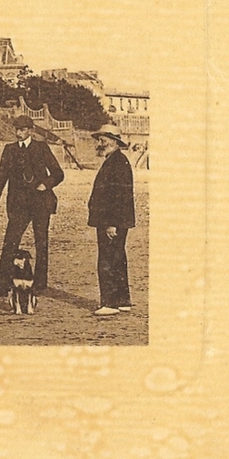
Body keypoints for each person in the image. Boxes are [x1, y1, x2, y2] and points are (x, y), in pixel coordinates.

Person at [0, 115, 65, 297]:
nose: (18, 133)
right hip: (18, 205)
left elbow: (58, 173)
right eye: (16, 130)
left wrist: (45, 184)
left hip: (41, 202)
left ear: (30, 130)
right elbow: (1, 178)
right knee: (10, 243)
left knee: (41, 243)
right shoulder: (9, 150)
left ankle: (40, 284)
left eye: (22, 129)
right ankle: (3, 284)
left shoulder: (41, 148)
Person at [87, 124, 136, 316]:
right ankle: (122, 300)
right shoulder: (116, 161)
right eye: (99, 140)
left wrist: (111, 223)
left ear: (114, 141)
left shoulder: (117, 163)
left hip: (111, 221)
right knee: (117, 258)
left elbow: (119, 196)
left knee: (107, 260)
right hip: (115, 220)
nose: (100, 143)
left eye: (103, 140)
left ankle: (110, 302)